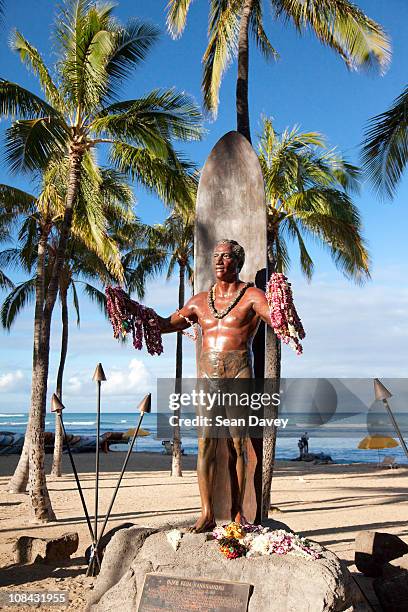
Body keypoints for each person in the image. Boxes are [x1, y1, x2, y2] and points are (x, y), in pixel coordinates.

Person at [155, 239, 275, 533]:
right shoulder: (198, 301)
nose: (220, 261)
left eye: (226, 256)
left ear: (238, 262)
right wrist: (138, 313)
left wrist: (284, 303)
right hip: (208, 374)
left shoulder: (251, 296)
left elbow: (276, 318)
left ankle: (237, 512)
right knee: (206, 443)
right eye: (216, 256)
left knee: (238, 444)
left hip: (239, 371)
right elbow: (166, 324)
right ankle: (207, 513)